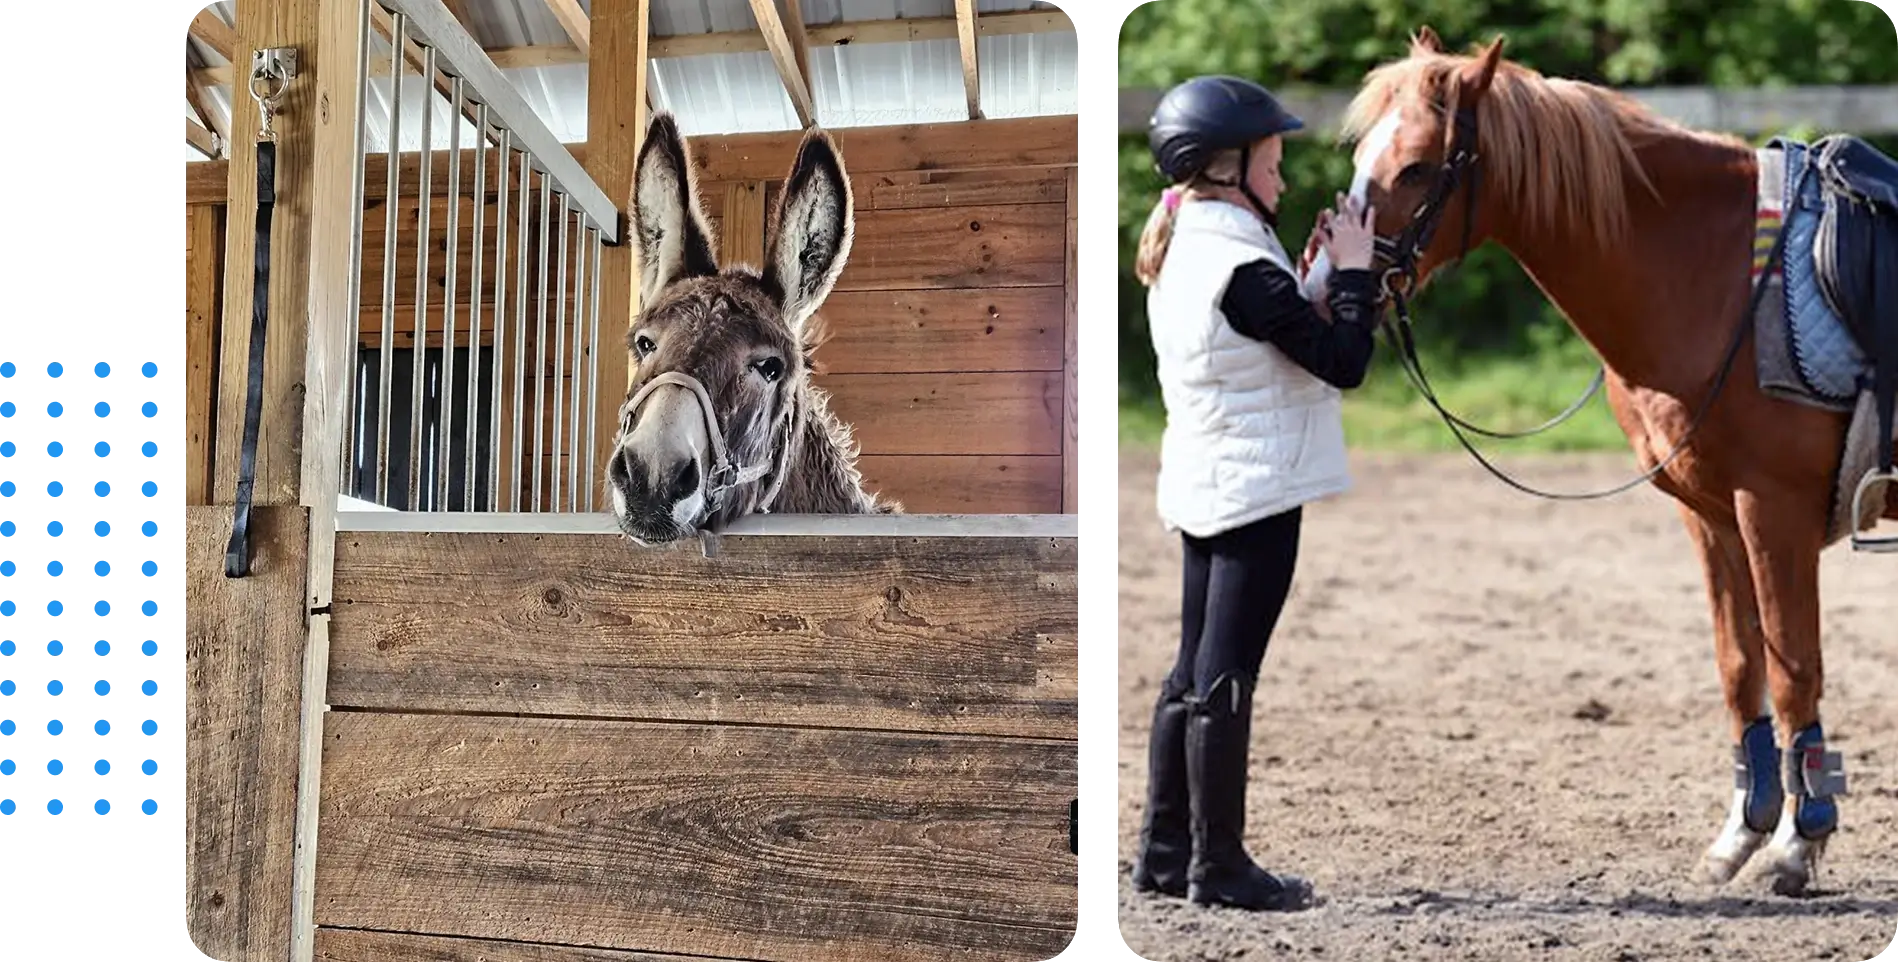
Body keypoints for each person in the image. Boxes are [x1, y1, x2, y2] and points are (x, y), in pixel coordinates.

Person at [1128, 74, 1383, 913]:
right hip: (1255, 490)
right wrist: (1352, 277)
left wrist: (1308, 275)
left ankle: (1165, 854)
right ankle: (1221, 867)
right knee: (1226, 677)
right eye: (1272, 163)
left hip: (1207, 476)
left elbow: (1264, 336)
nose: (1281, 177)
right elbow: (1342, 361)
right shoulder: (1240, 262)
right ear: (1229, 167)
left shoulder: (1192, 240)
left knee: (1189, 672)